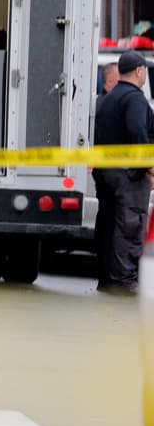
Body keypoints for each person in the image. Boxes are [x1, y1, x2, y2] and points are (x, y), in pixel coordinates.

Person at [93, 50, 154, 294]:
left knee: (109, 224)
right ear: (139, 71)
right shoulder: (135, 99)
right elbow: (137, 132)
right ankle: (124, 282)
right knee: (129, 225)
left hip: (107, 171)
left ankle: (107, 278)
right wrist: (148, 166)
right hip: (128, 175)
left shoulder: (109, 97)